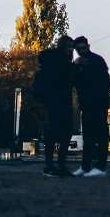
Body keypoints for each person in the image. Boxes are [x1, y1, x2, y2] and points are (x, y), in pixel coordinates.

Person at [32, 34, 75, 177]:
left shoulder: (48, 61)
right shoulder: (64, 64)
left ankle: (49, 164)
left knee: (52, 135)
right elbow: (69, 80)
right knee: (65, 134)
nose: (71, 51)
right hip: (60, 103)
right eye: (70, 48)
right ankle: (59, 164)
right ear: (65, 47)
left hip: (49, 104)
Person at [72, 35, 110, 178]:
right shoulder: (79, 64)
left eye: (83, 48)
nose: (81, 51)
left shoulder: (97, 61)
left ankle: (100, 166)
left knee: (100, 135)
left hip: (98, 104)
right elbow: (75, 83)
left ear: (88, 46)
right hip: (87, 105)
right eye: (79, 49)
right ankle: (86, 166)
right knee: (87, 137)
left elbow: (105, 83)